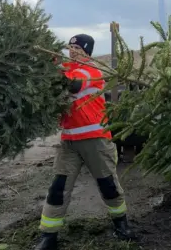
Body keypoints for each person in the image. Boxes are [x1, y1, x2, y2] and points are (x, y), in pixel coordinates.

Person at [34, 34, 138, 250]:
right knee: (58, 188)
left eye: (78, 47)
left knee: (108, 185)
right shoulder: (68, 69)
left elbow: (71, 85)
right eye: (70, 46)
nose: (73, 50)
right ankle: (48, 236)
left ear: (87, 51)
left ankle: (121, 224)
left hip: (95, 141)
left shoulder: (92, 71)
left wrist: (52, 66)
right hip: (69, 142)